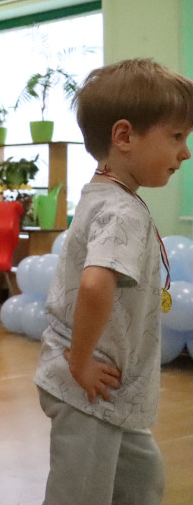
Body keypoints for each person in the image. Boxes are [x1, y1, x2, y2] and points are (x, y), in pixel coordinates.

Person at [34, 59, 193, 505]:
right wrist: (81, 361)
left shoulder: (107, 194)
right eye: (176, 137)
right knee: (80, 495)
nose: (185, 152)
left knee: (141, 480)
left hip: (108, 389)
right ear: (124, 137)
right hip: (87, 387)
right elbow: (94, 285)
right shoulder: (120, 211)